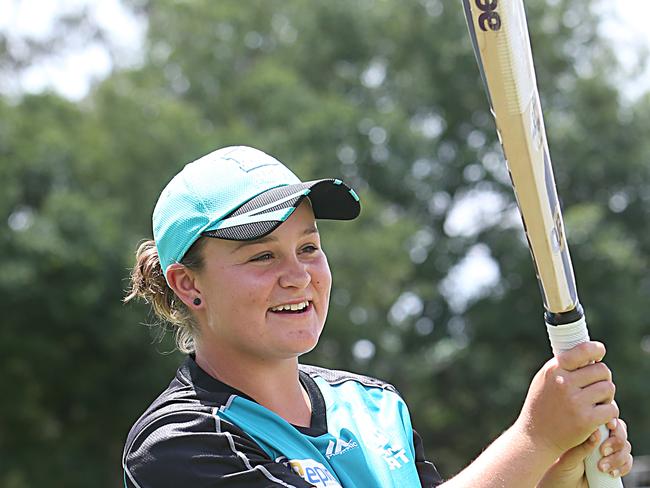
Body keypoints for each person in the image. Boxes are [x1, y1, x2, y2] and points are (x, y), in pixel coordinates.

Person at [122, 145, 632, 487]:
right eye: (262, 256)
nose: (298, 275)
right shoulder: (179, 447)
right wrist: (533, 439)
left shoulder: (376, 406)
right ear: (188, 284)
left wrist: (551, 474)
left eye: (308, 247)